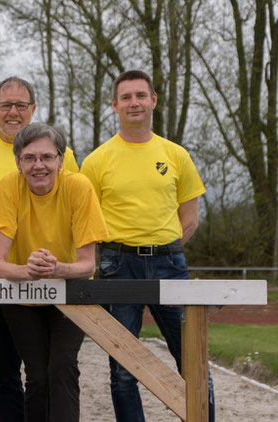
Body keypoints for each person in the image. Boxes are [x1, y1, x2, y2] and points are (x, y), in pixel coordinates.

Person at [80, 69, 215, 422]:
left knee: (193, 362)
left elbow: (190, 218)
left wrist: (160, 248)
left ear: (153, 100)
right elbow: (85, 223)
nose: (134, 103)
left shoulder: (176, 154)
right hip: (117, 266)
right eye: (126, 97)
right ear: (114, 105)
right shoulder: (95, 161)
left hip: (169, 264)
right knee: (124, 368)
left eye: (141, 95)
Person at [0, 76, 79, 422]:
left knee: (50, 370)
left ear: (33, 109)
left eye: (21, 105)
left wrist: (55, 264)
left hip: (53, 281)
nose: (13, 112)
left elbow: (69, 206)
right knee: (5, 374)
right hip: (1, 279)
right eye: (6, 105)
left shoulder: (64, 155)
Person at [0, 123, 108, 422]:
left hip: (70, 291)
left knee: (62, 367)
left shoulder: (78, 187)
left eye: (46, 157)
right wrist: (27, 271)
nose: (38, 165)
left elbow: (87, 265)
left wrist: (57, 269)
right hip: (22, 294)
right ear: (18, 162)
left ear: (61, 160)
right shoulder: (7, 187)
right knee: (38, 375)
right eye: (29, 158)